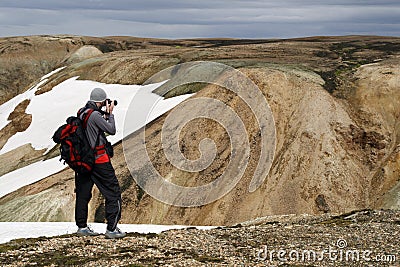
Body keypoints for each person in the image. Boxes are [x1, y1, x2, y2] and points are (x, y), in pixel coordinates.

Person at [75, 87, 126, 239]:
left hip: (84, 161)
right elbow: (111, 130)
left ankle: (82, 227)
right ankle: (111, 229)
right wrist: (110, 114)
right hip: (99, 160)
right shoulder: (95, 115)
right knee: (113, 192)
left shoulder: (82, 112)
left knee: (83, 194)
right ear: (101, 101)